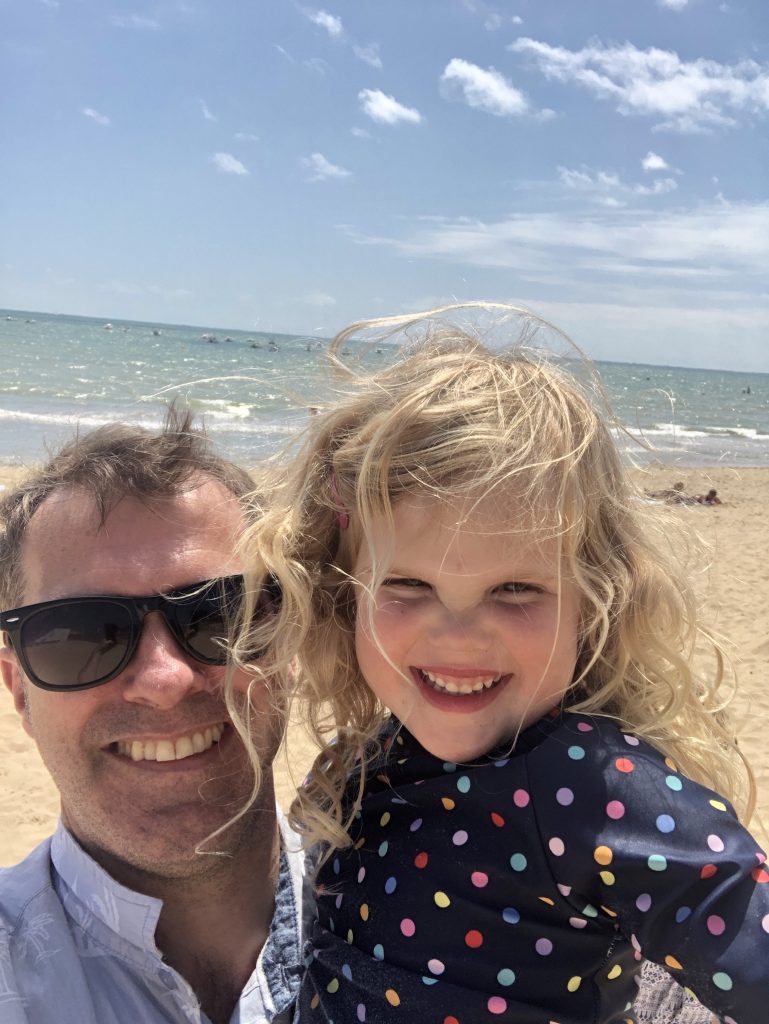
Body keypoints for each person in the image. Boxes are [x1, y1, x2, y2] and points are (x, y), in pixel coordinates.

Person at [238, 305, 767, 1023]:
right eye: (408, 585)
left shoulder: (595, 784)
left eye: (514, 589)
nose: (459, 636)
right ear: (343, 593)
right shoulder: (363, 761)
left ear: (595, 600)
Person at [0, 409, 303, 1024]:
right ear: (20, 690)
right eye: (81, 634)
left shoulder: (433, 910)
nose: (165, 682)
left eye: (220, 613)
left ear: (288, 647)